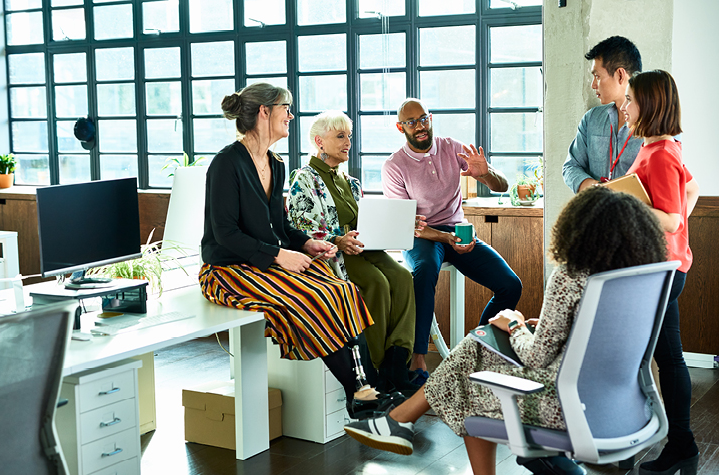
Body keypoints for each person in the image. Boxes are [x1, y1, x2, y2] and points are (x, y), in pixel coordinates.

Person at [344, 187, 668, 475]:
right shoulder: (638, 278)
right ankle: (398, 420)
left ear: (580, 230)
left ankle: (398, 421)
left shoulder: (570, 277)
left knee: (470, 381)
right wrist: (545, 327)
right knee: (477, 344)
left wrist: (514, 325)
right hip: (624, 404)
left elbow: (537, 356)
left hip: (563, 405)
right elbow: (600, 334)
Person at [199, 82, 399, 419]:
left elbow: (279, 227)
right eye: (285, 108)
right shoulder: (226, 164)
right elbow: (226, 234)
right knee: (315, 296)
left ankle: (368, 389)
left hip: (264, 263)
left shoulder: (275, 164)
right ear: (264, 112)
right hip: (228, 270)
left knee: (343, 290)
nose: (291, 115)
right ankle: (362, 394)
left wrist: (305, 243)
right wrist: (280, 255)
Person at [382, 98, 522, 379]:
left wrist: (486, 174)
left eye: (423, 119)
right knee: (423, 273)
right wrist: (446, 239)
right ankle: (418, 359)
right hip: (423, 236)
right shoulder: (394, 166)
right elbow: (409, 226)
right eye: (411, 122)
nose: (420, 126)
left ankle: (477, 350)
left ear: (430, 119)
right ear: (401, 128)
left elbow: (502, 186)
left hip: (457, 229)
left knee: (510, 285)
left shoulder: (452, 148)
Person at [287, 110, 423, 395]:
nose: (348, 141)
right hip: (336, 253)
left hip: (364, 247)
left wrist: (398, 226)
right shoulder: (304, 179)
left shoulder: (350, 181)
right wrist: (338, 239)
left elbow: (367, 222)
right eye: (340, 136)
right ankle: (375, 370)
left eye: (348, 136)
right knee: (377, 283)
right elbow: (300, 227)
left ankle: (397, 363)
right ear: (319, 142)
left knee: (402, 277)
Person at [620, 70, 700, 475]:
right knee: (666, 359)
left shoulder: (663, 152)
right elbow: (691, 190)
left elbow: (669, 219)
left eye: (631, 99)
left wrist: (621, 202)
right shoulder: (662, 147)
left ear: (649, 104)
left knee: (656, 359)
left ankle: (654, 443)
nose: (625, 106)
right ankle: (675, 445)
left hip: (660, 271)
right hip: (663, 268)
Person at [562, 36, 643, 193]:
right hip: (595, 214)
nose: (593, 85)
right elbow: (571, 166)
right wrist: (597, 190)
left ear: (620, 75)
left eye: (597, 76)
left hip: (635, 216)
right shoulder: (591, 119)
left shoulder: (655, 125)